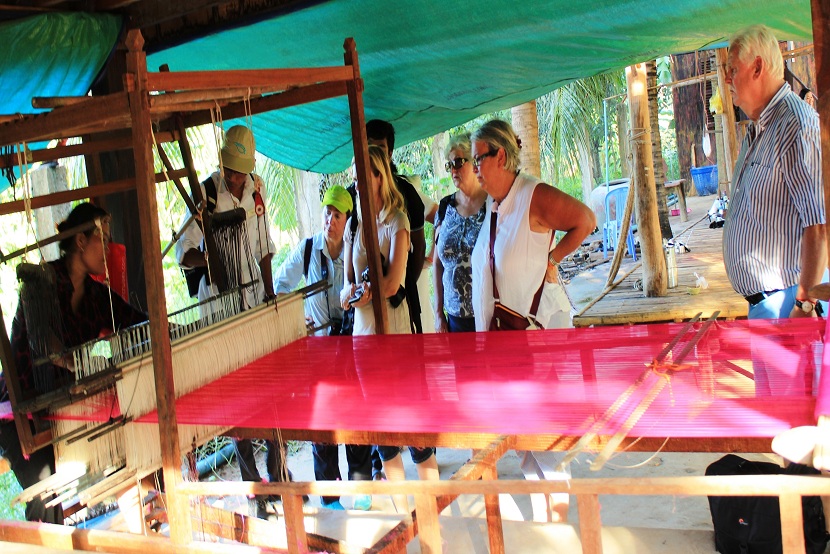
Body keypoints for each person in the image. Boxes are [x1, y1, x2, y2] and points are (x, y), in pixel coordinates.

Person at [469, 119, 596, 523]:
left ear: (500, 156)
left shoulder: (532, 195)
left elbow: (586, 220)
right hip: (507, 344)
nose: (474, 169)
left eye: (478, 160)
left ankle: (557, 530)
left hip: (540, 338)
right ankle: (547, 524)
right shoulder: (494, 207)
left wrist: (552, 260)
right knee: (525, 444)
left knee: (549, 443)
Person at [1, 202, 148, 524]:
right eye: (103, 240)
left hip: (68, 407)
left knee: (129, 447)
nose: (108, 248)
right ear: (81, 241)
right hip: (23, 413)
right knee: (44, 492)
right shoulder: (39, 285)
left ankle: (142, 525)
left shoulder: (96, 295)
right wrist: (77, 364)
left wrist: (177, 331)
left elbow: (135, 322)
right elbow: (46, 342)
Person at [174, 125, 285, 519]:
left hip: (254, 299)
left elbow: (264, 244)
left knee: (271, 391)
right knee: (240, 401)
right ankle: (255, 491)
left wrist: (270, 293)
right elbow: (182, 253)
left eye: (240, 171)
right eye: (230, 171)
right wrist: (213, 259)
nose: (235, 178)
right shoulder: (204, 194)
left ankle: (281, 480)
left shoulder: (257, 189)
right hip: (221, 310)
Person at [340, 145, 438, 512]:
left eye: (363, 178)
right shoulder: (354, 224)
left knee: (415, 431)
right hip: (364, 342)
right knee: (385, 436)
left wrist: (366, 293)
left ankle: (430, 517)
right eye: (353, 180)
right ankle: (405, 519)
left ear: (380, 177)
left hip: (396, 340)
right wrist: (353, 293)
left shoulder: (397, 221)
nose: (357, 186)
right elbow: (345, 285)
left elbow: (395, 281)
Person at [273, 185, 372, 511]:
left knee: (355, 418)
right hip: (317, 351)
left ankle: (361, 488)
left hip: (350, 347)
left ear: (347, 221)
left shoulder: (355, 252)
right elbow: (280, 285)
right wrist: (294, 317)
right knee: (323, 425)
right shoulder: (307, 250)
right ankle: (330, 498)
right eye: (327, 213)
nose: (330, 220)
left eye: (337, 215)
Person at [722, 24, 826, 322]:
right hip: (767, 306)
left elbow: (818, 223)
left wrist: (805, 304)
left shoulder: (795, 125)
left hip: (790, 303)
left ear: (757, 67)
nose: (727, 79)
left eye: (733, 69)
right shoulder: (761, 129)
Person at [365, 119, 427, 334]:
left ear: (389, 153)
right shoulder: (356, 195)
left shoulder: (407, 194)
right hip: (365, 307)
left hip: (401, 297)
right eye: (368, 146)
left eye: (380, 148)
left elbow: (419, 247)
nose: (374, 153)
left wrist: (405, 282)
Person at [434, 132, 488, 333]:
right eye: (450, 165)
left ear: (474, 162)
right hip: (454, 319)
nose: (453, 170)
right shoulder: (445, 207)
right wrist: (439, 315)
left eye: (458, 162)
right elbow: (437, 262)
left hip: (488, 315)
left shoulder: (493, 204)